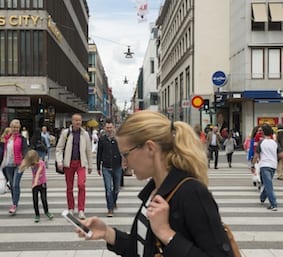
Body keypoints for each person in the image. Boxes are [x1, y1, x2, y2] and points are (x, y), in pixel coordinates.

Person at [76, 110, 235, 257]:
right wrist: (107, 233)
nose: (124, 163)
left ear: (150, 148)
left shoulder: (191, 192)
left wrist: (166, 233)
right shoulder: (155, 190)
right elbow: (141, 248)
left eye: (126, 154)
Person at [56, 113, 93, 219]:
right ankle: (71, 208)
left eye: (79, 120)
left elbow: (88, 150)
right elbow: (59, 148)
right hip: (69, 163)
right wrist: (60, 161)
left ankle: (81, 209)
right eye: (76, 120)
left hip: (81, 163)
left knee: (81, 185)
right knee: (69, 187)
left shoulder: (85, 134)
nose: (78, 122)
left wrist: (90, 165)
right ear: (72, 121)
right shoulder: (66, 133)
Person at [1, 119, 28, 215]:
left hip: (19, 165)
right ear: (10, 127)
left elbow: (25, 150)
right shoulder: (7, 138)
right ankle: (14, 202)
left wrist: (25, 160)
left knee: (16, 184)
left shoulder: (22, 138)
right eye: (13, 127)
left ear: (19, 128)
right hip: (8, 164)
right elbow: (3, 151)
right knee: (12, 185)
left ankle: (14, 205)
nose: (15, 129)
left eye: (17, 127)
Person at [251, 123, 281, 211]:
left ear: (263, 132)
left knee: (268, 185)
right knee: (267, 183)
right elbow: (281, 154)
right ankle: (262, 197)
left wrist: (253, 164)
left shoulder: (261, 142)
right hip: (273, 165)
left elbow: (256, 155)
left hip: (264, 165)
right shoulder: (275, 143)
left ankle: (273, 204)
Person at [96, 119, 122, 217]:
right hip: (106, 167)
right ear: (105, 128)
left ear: (113, 127)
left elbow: (123, 151)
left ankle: (114, 201)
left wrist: (125, 162)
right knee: (108, 189)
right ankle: (110, 208)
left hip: (117, 166)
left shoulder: (118, 139)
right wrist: (98, 167)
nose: (109, 129)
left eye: (110, 127)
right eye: (107, 128)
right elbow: (99, 153)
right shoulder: (102, 139)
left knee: (116, 189)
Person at [19, 150, 53, 223]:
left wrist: (35, 182)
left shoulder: (41, 163)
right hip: (34, 185)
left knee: (44, 199)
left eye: (33, 163)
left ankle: (47, 212)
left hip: (42, 184)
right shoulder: (31, 163)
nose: (32, 165)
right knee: (35, 200)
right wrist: (21, 168)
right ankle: (37, 215)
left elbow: (38, 173)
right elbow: (24, 163)